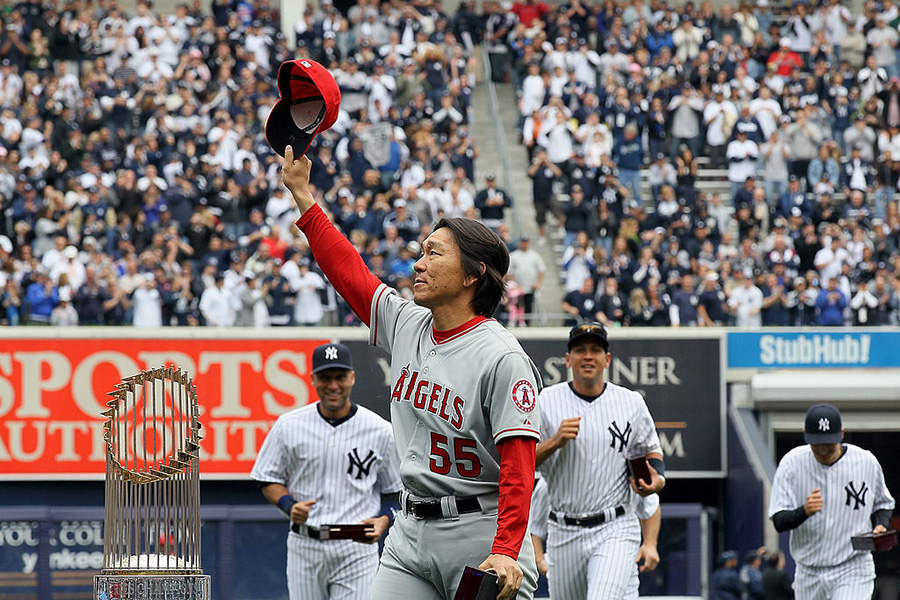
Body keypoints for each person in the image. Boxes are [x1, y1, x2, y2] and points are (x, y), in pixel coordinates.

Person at [282, 146, 542, 600]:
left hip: (479, 532)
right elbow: (350, 274)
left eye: (434, 253)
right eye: (421, 252)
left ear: (471, 276)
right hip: (409, 532)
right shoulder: (409, 323)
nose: (418, 264)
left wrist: (505, 549)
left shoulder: (502, 356)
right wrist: (304, 197)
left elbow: (519, 466)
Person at [251, 343, 402, 600]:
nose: (333, 385)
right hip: (305, 544)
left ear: (352, 377)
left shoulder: (380, 430)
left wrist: (384, 519)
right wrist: (288, 504)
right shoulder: (289, 425)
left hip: (357, 546)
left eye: (340, 377)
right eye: (325, 377)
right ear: (313, 379)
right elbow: (267, 477)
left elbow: (395, 492)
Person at [535, 322, 666, 599]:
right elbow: (522, 463)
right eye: (580, 350)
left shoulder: (630, 401)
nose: (588, 356)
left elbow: (652, 452)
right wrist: (555, 441)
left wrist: (656, 478)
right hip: (562, 529)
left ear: (607, 359)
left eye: (595, 350)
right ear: (568, 359)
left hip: (615, 525)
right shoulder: (546, 400)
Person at [768, 404, 895, 600]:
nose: (824, 450)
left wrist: (881, 525)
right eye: (817, 445)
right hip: (809, 570)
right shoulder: (791, 464)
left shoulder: (865, 461)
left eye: (829, 444)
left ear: (842, 434)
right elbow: (779, 520)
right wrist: (804, 511)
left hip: (853, 565)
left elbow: (883, 504)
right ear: (805, 435)